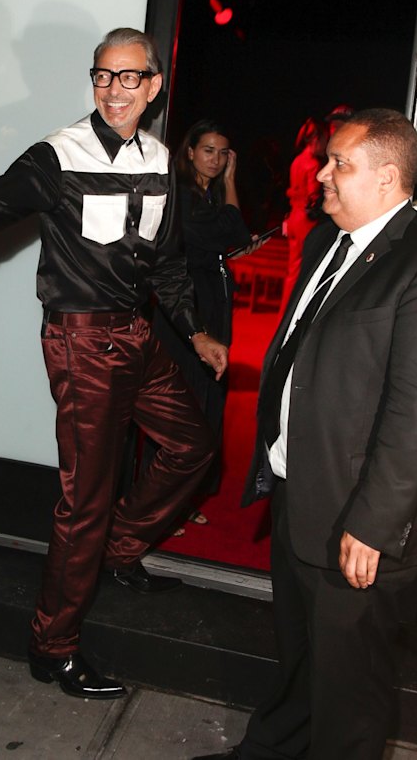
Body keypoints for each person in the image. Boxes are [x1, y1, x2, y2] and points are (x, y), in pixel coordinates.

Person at [0, 27, 229, 701]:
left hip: (139, 335)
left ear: (153, 86)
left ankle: (118, 551)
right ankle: (53, 647)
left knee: (194, 445)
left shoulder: (162, 160)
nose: (113, 89)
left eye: (129, 76)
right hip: (83, 343)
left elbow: (168, 263)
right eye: (103, 75)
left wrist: (195, 331)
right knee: (85, 499)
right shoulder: (58, 154)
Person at [193, 108, 417, 760]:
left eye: (339, 165)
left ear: (387, 178)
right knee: (300, 659)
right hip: (300, 491)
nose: (321, 175)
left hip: (360, 522)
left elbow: (416, 413)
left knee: (351, 696)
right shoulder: (327, 241)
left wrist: (373, 525)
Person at [148, 120, 251, 529]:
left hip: (210, 306)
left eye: (224, 153)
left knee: (205, 403)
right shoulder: (182, 195)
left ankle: (181, 498)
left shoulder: (208, 194)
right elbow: (234, 231)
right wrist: (232, 183)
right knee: (181, 407)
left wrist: (228, 183)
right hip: (183, 310)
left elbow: (234, 232)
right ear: (189, 152)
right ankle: (160, 505)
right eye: (208, 150)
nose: (217, 159)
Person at [278, 116, 328, 316]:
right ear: (316, 139)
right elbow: (313, 197)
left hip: (293, 217)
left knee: (292, 271)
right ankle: (293, 313)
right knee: (303, 270)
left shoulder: (297, 160)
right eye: (325, 140)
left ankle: (284, 312)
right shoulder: (313, 164)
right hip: (306, 220)